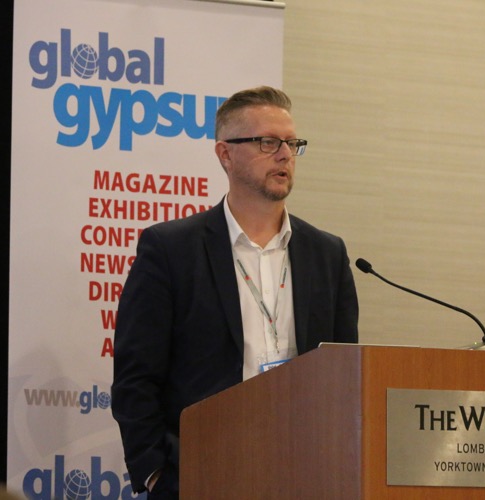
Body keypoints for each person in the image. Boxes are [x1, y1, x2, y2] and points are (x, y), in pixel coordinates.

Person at [111, 86, 359, 498]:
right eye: (268, 142)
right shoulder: (171, 250)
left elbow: (343, 375)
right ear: (225, 154)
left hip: (304, 474)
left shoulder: (327, 254)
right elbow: (135, 376)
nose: (285, 155)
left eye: (292, 143)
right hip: (201, 473)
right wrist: (156, 473)